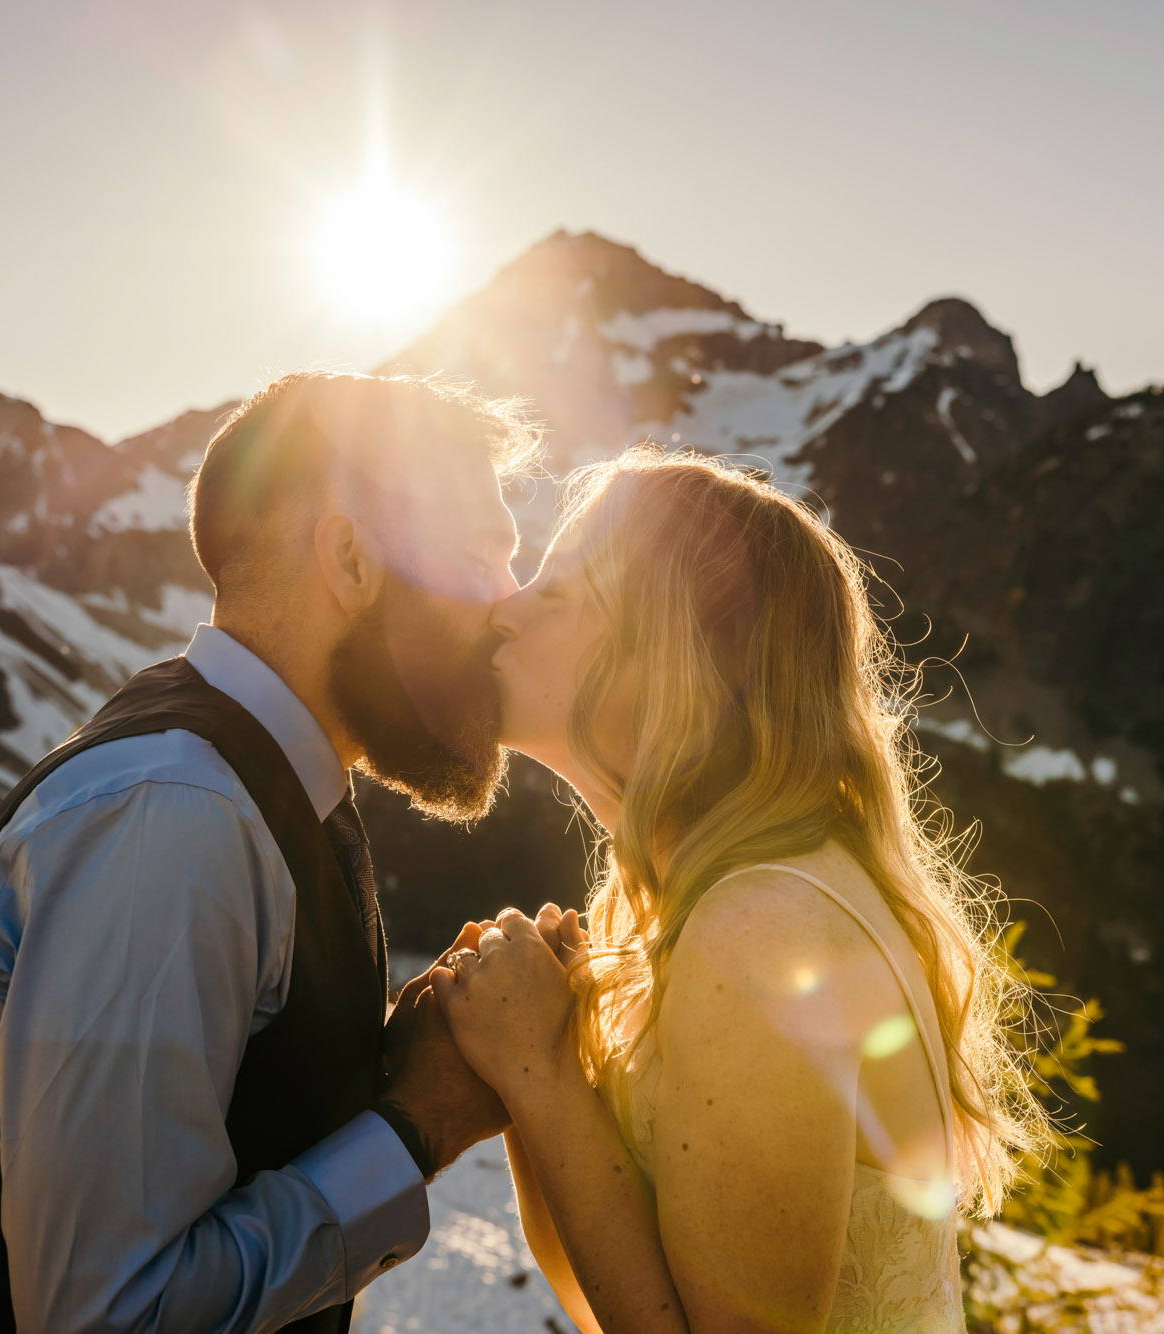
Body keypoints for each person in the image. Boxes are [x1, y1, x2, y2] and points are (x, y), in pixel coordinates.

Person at [0, 371, 543, 1333]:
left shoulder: (255, 788)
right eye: (480, 557)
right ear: (352, 560)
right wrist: (417, 1122)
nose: (510, 605)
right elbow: (105, 1314)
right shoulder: (178, 817)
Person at [427, 447, 1061, 1334]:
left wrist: (535, 1071)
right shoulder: (714, 902)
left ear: (669, 657)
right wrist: (542, 1064)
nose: (507, 612)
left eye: (559, 593)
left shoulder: (758, 928)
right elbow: (611, 1299)